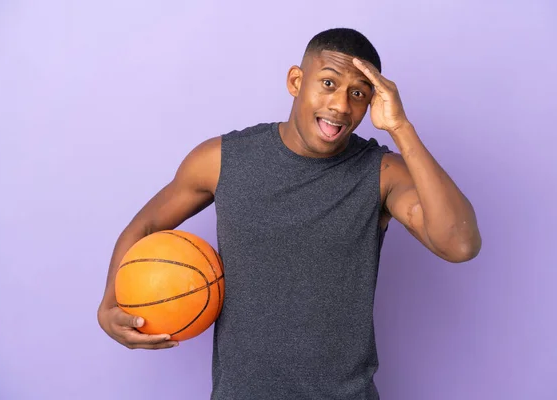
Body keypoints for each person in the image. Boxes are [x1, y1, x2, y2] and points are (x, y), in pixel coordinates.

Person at [97, 27, 481, 399]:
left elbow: (460, 244)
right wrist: (108, 305)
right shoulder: (220, 160)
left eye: (359, 93)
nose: (340, 105)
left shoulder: (381, 173)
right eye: (328, 83)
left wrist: (401, 128)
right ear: (297, 81)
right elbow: (146, 224)